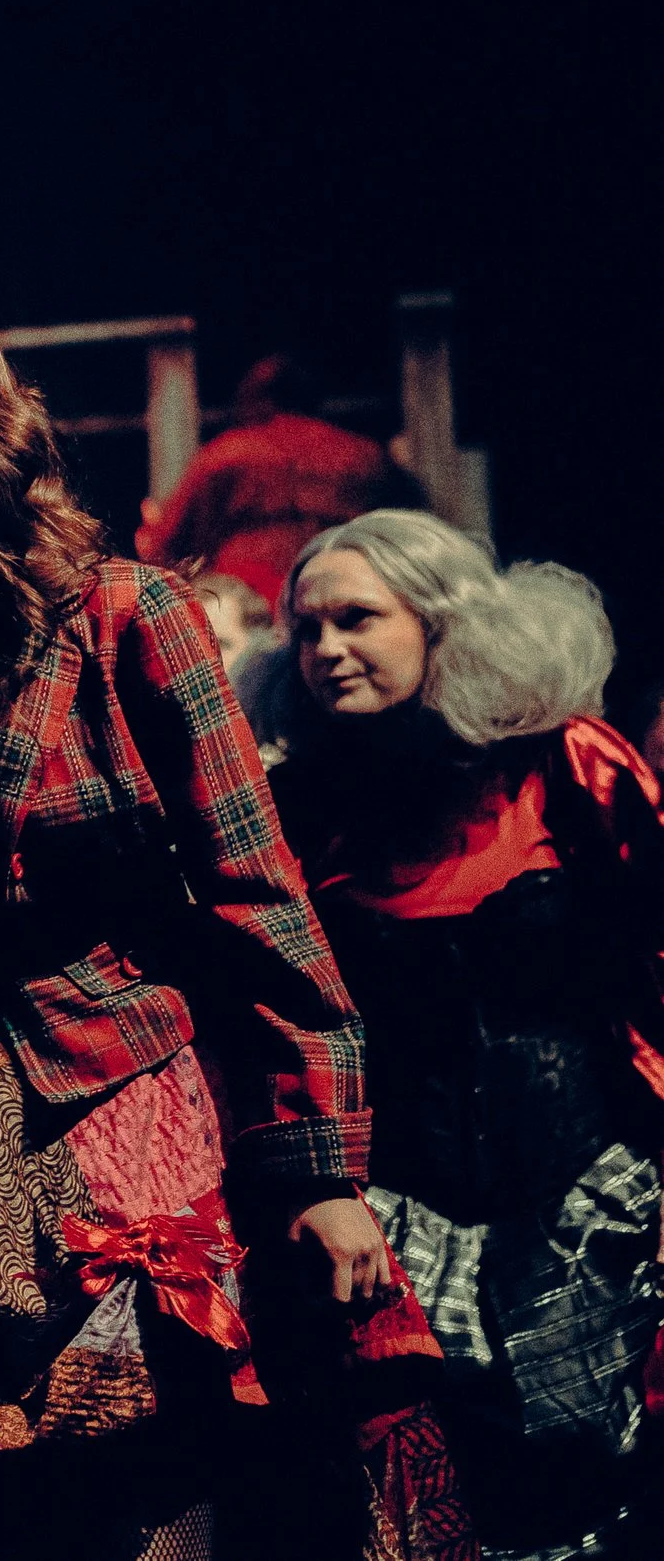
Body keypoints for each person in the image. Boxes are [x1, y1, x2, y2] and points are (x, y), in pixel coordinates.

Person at [0, 288, 456, 1560]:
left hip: (117, 1114)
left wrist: (319, 1166)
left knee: (141, 1503)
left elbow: (256, 893)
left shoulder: (123, 619)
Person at [267, 509, 664, 1558]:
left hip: (587, 1190)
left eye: (356, 618)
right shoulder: (303, 802)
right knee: (426, 1499)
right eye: (305, 630)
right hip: (396, 1206)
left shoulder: (565, 763)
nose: (325, 651)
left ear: (443, 623)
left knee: (587, 1480)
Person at [136, 353, 413, 606]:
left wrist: (151, 532)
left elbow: (167, 544)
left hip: (250, 600)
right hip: (338, 587)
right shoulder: (363, 454)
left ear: (249, 400)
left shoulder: (227, 454)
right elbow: (406, 527)